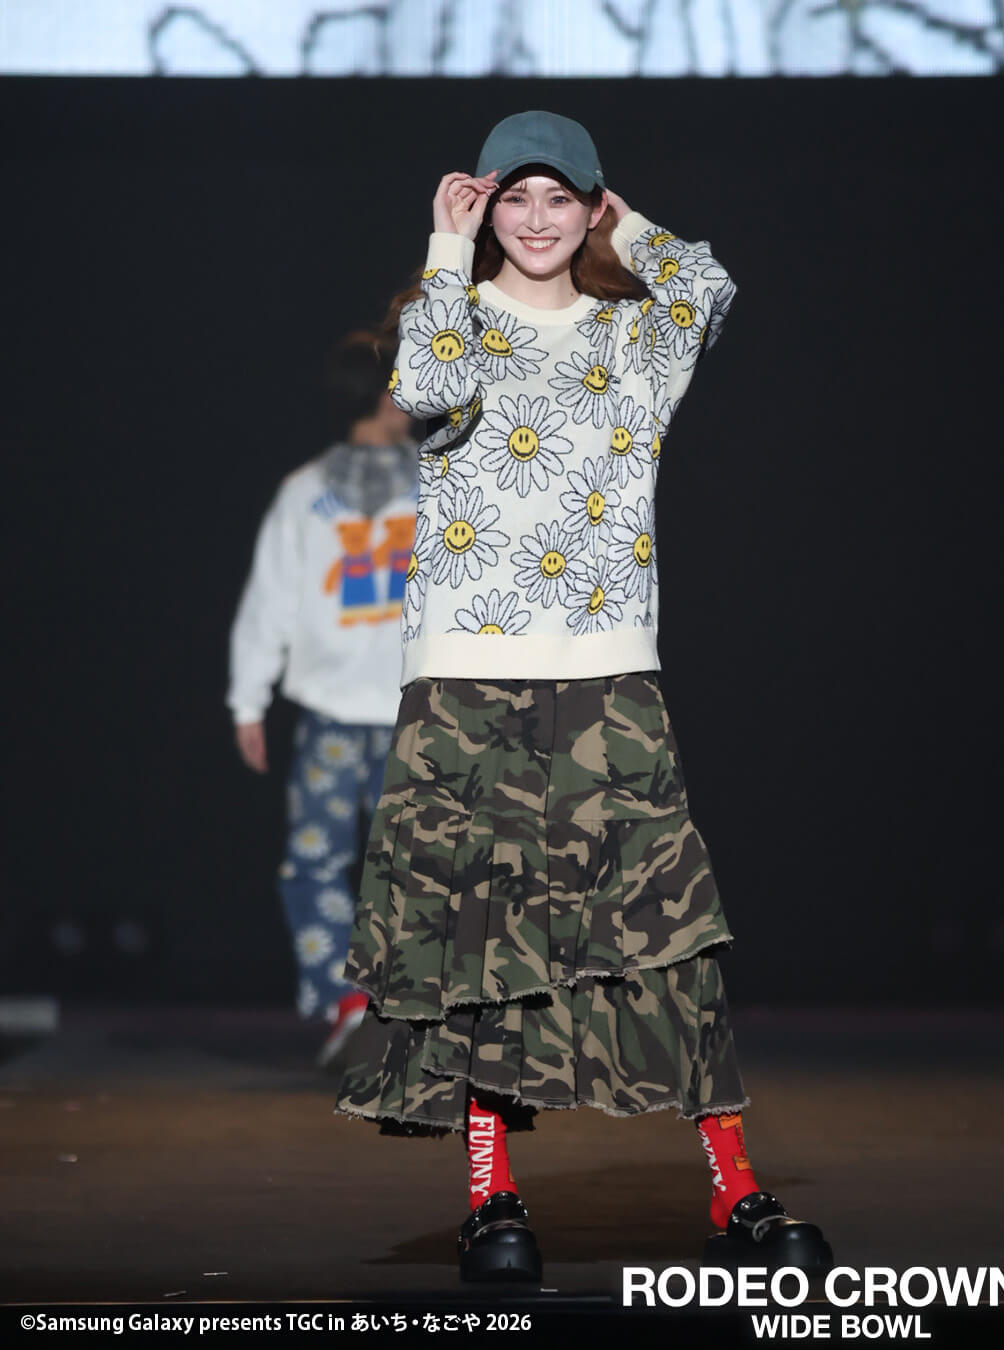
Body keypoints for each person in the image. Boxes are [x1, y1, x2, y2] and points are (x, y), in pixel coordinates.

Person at [334, 111, 832, 1281]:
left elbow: (707, 284)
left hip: (608, 673)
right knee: (480, 938)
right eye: (515, 196)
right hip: (467, 674)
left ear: (593, 206)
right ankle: (492, 1198)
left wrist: (624, 219)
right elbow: (425, 386)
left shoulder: (636, 337)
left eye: (561, 196)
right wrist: (445, 246)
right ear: (483, 206)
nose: (538, 218)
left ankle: (735, 1190)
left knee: (667, 932)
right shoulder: (450, 313)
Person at [228, 331, 418, 1068]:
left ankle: (395, 1006)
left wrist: (250, 701)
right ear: (385, 395)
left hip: (401, 710)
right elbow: (271, 598)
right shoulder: (312, 491)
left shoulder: (435, 479)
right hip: (362, 711)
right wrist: (248, 699)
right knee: (333, 864)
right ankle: (361, 1004)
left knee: (396, 867)